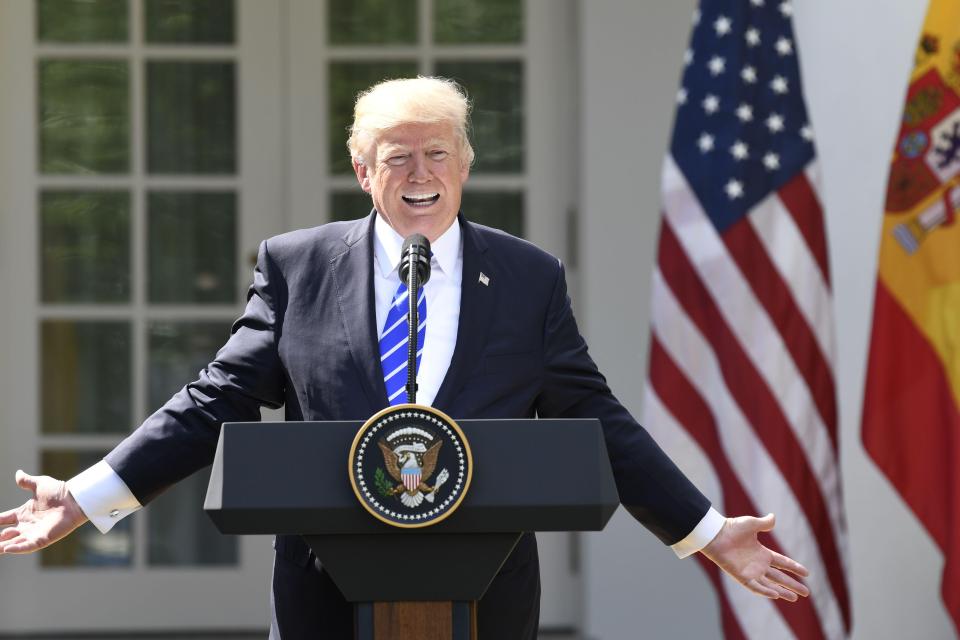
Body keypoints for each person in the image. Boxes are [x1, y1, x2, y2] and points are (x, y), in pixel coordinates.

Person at [0, 77, 809, 639]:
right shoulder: (298, 265)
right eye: (397, 156)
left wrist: (706, 532)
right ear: (363, 171)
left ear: (463, 166)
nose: (419, 175)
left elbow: (596, 417)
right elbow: (215, 399)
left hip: (485, 581)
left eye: (436, 154)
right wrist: (85, 497)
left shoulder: (526, 276)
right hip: (326, 582)